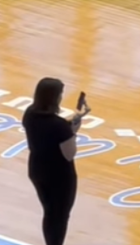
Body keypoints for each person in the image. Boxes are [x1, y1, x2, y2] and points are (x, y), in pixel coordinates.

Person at [22, 77, 89, 245]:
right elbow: (69, 154)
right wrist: (72, 131)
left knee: (50, 212)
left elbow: (47, 132)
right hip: (60, 176)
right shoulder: (59, 126)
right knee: (60, 216)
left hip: (37, 170)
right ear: (56, 97)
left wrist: (69, 124)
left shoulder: (29, 113)